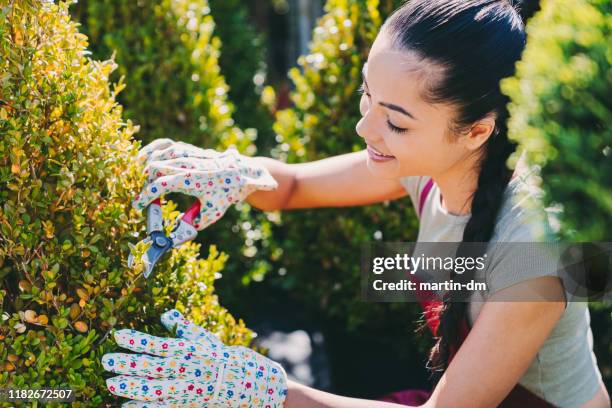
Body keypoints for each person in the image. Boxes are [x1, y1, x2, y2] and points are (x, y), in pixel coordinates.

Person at [104, 0, 610, 406]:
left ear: (477, 130)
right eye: (368, 96)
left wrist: (270, 392)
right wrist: (234, 172)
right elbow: (294, 186)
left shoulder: (536, 252)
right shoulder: (434, 166)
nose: (364, 128)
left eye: (396, 121)